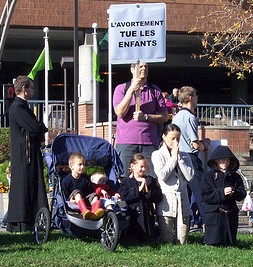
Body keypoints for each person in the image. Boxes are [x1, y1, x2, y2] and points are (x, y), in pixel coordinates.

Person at [7, 75, 48, 232]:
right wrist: (41, 127)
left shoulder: (21, 107)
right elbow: (34, 128)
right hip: (24, 156)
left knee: (30, 186)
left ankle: (32, 220)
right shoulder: (18, 107)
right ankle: (22, 223)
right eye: (31, 87)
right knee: (24, 188)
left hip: (28, 154)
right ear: (24, 89)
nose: (33, 90)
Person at [113, 62, 168, 178]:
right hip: (126, 142)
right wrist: (131, 90)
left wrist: (146, 117)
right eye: (140, 66)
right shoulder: (121, 89)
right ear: (132, 69)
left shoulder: (155, 91)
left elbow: (164, 116)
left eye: (146, 66)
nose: (143, 68)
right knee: (124, 178)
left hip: (149, 142)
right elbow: (120, 112)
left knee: (151, 178)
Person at [172, 86, 210, 224]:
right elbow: (194, 145)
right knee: (201, 192)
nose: (197, 99)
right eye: (195, 96)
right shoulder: (190, 117)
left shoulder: (177, 116)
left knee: (184, 196)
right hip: (190, 159)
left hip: (178, 157)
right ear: (190, 98)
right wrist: (205, 144)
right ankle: (210, 225)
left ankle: (183, 228)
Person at [151, 124, 194, 244]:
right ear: (164, 137)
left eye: (178, 139)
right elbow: (162, 175)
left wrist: (179, 158)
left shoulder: (185, 155)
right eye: (172, 139)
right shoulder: (157, 154)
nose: (176, 142)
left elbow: (190, 176)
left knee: (182, 241)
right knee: (167, 241)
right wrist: (173, 158)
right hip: (167, 202)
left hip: (183, 199)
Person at [201, 145, 246, 246]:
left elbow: (242, 194)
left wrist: (233, 192)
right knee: (214, 241)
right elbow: (205, 195)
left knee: (229, 242)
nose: (225, 162)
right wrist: (221, 193)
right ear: (216, 160)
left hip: (230, 213)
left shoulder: (235, 177)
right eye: (222, 159)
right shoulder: (208, 176)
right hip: (214, 214)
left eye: (227, 159)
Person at [119, 153, 163, 240]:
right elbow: (124, 196)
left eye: (145, 167)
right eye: (141, 166)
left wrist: (147, 190)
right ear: (132, 166)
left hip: (147, 215)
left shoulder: (150, 180)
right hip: (133, 215)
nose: (143, 169)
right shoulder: (126, 182)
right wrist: (138, 190)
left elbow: (158, 197)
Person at [61, 152, 104, 220]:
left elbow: (90, 192)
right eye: (80, 164)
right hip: (73, 200)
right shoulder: (66, 180)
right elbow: (64, 195)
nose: (82, 167)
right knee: (77, 192)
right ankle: (84, 212)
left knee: (95, 195)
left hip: (84, 199)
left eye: (84, 164)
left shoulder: (85, 179)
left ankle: (94, 213)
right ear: (71, 166)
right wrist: (69, 200)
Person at [1, 164, 11, 228]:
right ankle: (4, 222)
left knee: (11, 208)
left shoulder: (8, 175)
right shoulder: (10, 175)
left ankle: (5, 222)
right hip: (12, 191)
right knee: (11, 208)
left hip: (10, 191)